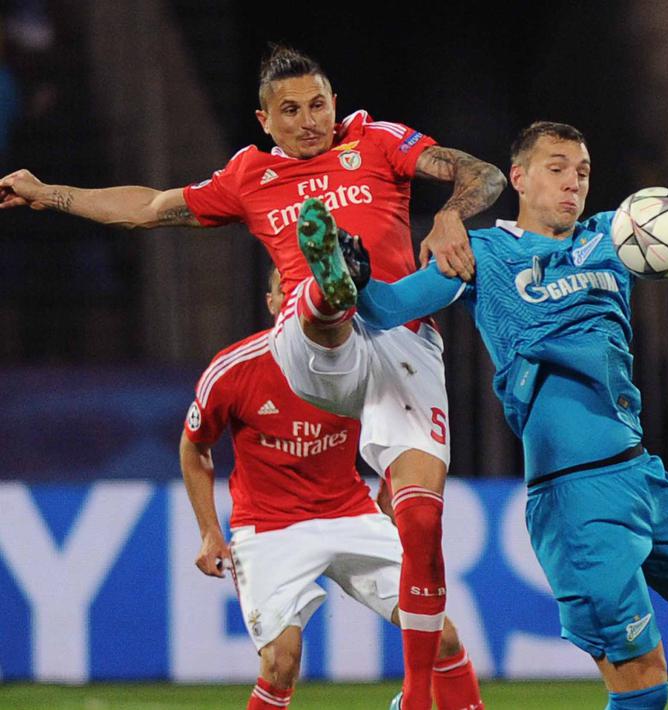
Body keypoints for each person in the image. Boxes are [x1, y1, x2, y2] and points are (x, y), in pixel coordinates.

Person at [298, 99, 668, 709]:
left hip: (639, 473)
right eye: (557, 167)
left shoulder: (614, 238)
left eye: (584, 170)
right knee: (644, 684)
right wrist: (349, 280)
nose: (574, 180)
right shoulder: (483, 257)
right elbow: (388, 310)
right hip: (575, 496)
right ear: (518, 177)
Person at [0, 44, 505, 710]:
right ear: (264, 120)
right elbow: (149, 207)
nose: (308, 120)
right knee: (318, 312)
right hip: (316, 345)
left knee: (419, 520)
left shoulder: (377, 141)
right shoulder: (249, 176)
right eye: (289, 111)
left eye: (317, 104)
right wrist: (50, 195)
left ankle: (420, 699)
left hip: (406, 343)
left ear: (333, 103)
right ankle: (332, 279)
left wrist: (446, 214)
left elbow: (481, 174)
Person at [181, 269, 483, 710]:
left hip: (350, 514)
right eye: (288, 290)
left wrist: (390, 485)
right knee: (281, 662)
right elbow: (195, 448)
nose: (302, 299)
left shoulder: (362, 360)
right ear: (272, 303)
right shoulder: (233, 369)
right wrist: (209, 531)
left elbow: (400, 420)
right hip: (269, 528)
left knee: (442, 637)